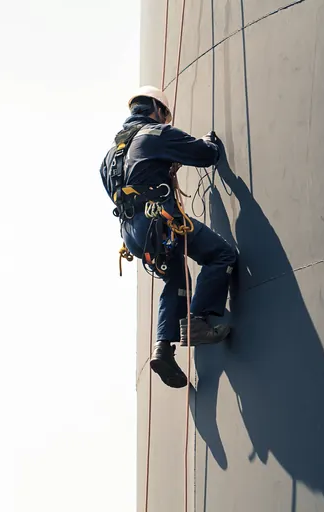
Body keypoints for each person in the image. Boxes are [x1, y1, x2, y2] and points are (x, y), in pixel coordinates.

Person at [99, 85, 237, 389]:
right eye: (165, 114)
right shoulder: (155, 134)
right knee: (221, 255)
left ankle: (163, 348)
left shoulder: (110, 156)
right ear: (156, 109)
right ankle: (198, 321)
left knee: (176, 280)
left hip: (135, 235)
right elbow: (205, 155)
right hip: (160, 221)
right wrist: (210, 143)